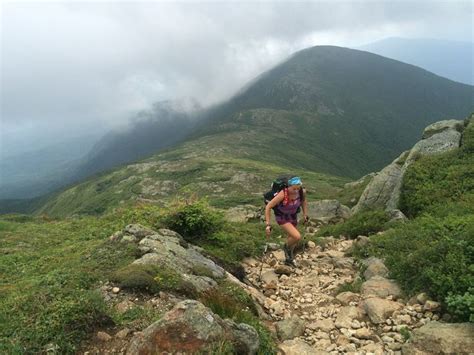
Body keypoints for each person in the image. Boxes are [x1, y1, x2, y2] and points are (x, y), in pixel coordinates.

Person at [264, 176, 308, 266]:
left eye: (298, 188)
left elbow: (303, 201)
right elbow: (268, 207)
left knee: (291, 238)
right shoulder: (283, 194)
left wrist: (305, 214)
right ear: (289, 186)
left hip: (293, 216)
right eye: (294, 188)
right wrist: (268, 224)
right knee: (297, 236)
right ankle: (286, 247)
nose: (296, 191)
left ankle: (289, 259)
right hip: (282, 217)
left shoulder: (301, 192)